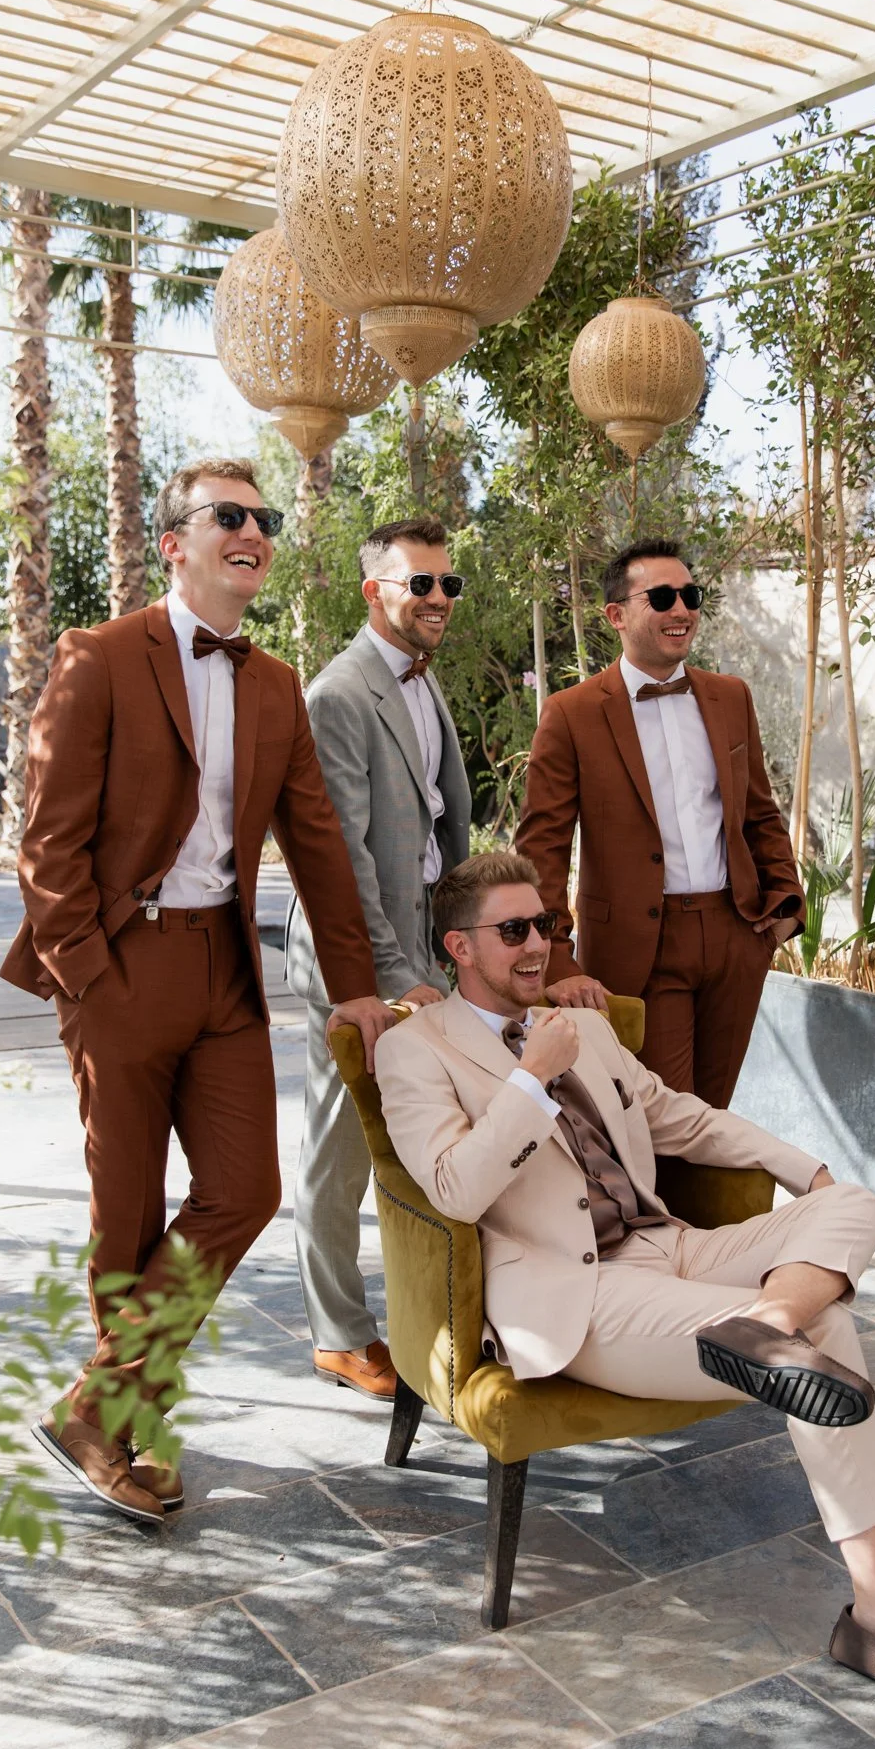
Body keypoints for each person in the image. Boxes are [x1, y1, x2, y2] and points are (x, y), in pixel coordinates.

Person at [374, 851, 875, 1726]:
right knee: (827, 1330)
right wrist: (532, 1078)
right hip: (582, 1295)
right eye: (515, 931)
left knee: (855, 1204)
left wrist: (809, 1172)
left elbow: (676, 1115)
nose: (540, 946)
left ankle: (765, 1323)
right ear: (458, 946)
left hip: (669, 1248)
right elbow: (453, 1189)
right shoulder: (415, 1050)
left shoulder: (585, 1025)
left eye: (548, 925)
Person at [2, 456, 391, 1523]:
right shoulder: (101, 656)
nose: (254, 529)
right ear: (175, 541)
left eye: (263, 516)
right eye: (231, 514)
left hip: (224, 969)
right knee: (124, 1216)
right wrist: (88, 980)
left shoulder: (272, 682)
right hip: (121, 966)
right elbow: (46, 842)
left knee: (243, 1187)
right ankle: (131, 1425)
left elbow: (316, 841)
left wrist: (354, 985)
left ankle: (95, 1405)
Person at [286, 515, 472, 1398]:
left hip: (420, 949)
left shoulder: (419, 684)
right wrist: (393, 975)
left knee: (423, 1136)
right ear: (376, 591)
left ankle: (428, 1316)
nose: (437, 599)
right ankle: (337, 1334)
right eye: (419, 584)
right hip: (353, 960)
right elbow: (340, 859)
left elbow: (439, 828)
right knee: (339, 1149)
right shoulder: (338, 693)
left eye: (447, 584)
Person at [515, 539, 803, 1107]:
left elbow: (758, 812)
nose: (682, 610)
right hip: (641, 946)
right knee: (666, 1117)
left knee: (715, 1113)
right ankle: (665, 1203)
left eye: (690, 596)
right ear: (617, 615)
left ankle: (702, 1203)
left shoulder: (730, 696)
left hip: (735, 932)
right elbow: (542, 847)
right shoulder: (572, 713)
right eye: (663, 597)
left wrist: (785, 903)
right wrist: (557, 955)